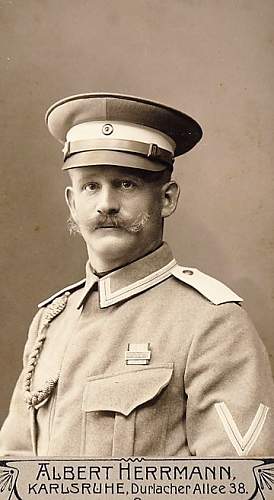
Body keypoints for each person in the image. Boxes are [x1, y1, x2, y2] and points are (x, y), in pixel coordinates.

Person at [0, 93, 273, 457]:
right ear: (72, 202)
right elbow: (13, 472)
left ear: (166, 198)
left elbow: (235, 485)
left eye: (126, 184)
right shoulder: (51, 323)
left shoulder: (213, 322)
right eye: (90, 186)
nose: (106, 204)